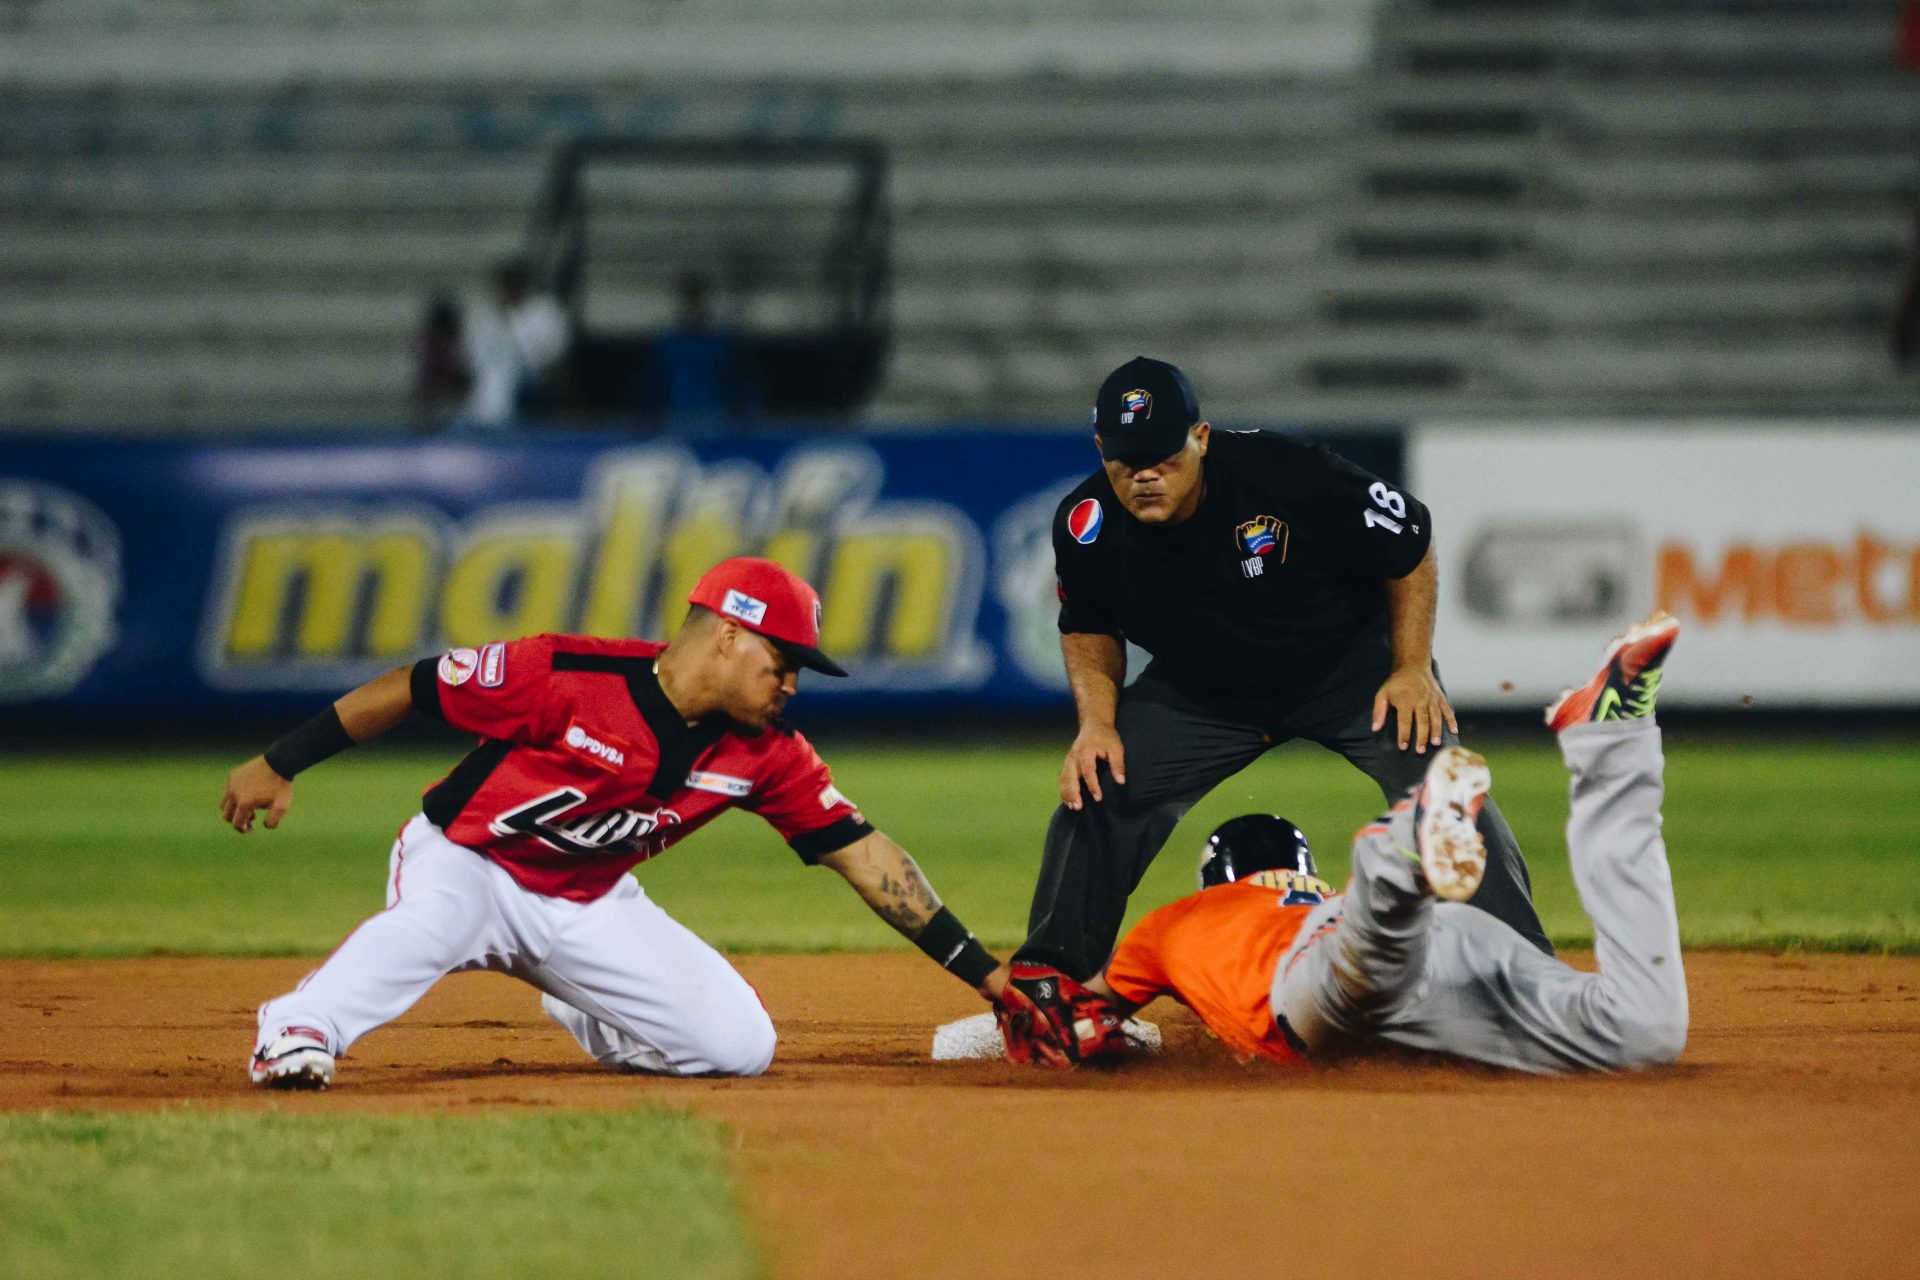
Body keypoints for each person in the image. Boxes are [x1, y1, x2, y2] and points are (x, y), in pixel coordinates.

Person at [223, 557, 1010, 1089]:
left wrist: (990, 977)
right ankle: (299, 1031)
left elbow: (869, 860)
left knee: (740, 1049)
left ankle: (582, 1003)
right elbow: (413, 686)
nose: (794, 684)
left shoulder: (769, 754)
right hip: (469, 861)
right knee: (429, 923)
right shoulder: (565, 673)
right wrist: (280, 762)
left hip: (588, 900)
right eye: (784, 663)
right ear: (729, 637)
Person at [1021, 355, 1550, 984]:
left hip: (1348, 672)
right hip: (1203, 693)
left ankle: (1525, 976)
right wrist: (1097, 725)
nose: (1146, 476)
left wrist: (1411, 667)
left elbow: (1410, 542)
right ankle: (1049, 988)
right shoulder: (1086, 528)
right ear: (1101, 449)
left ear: (1202, 437)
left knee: (1441, 789)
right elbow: (1087, 626)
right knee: (1103, 784)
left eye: (1164, 456)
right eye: (1127, 462)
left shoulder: (1285, 474)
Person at [1034, 611, 1687, 1075]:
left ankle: (1405, 841)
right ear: (1300, 867)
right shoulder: (1311, 892)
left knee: (1366, 963)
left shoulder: (1173, 926)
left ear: (1216, 879)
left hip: (1327, 976)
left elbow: (1080, 1015)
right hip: (1449, 959)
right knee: (1642, 1030)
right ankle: (1612, 741)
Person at [462, 256, 570, 427]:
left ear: (524, 285)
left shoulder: (545, 310)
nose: (510, 290)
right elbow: (474, 355)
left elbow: (553, 354)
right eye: (505, 285)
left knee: (500, 378)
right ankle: (485, 424)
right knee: (494, 377)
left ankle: (495, 423)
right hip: (493, 372)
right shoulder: (486, 314)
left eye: (514, 284)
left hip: (535, 374)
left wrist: (512, 321)